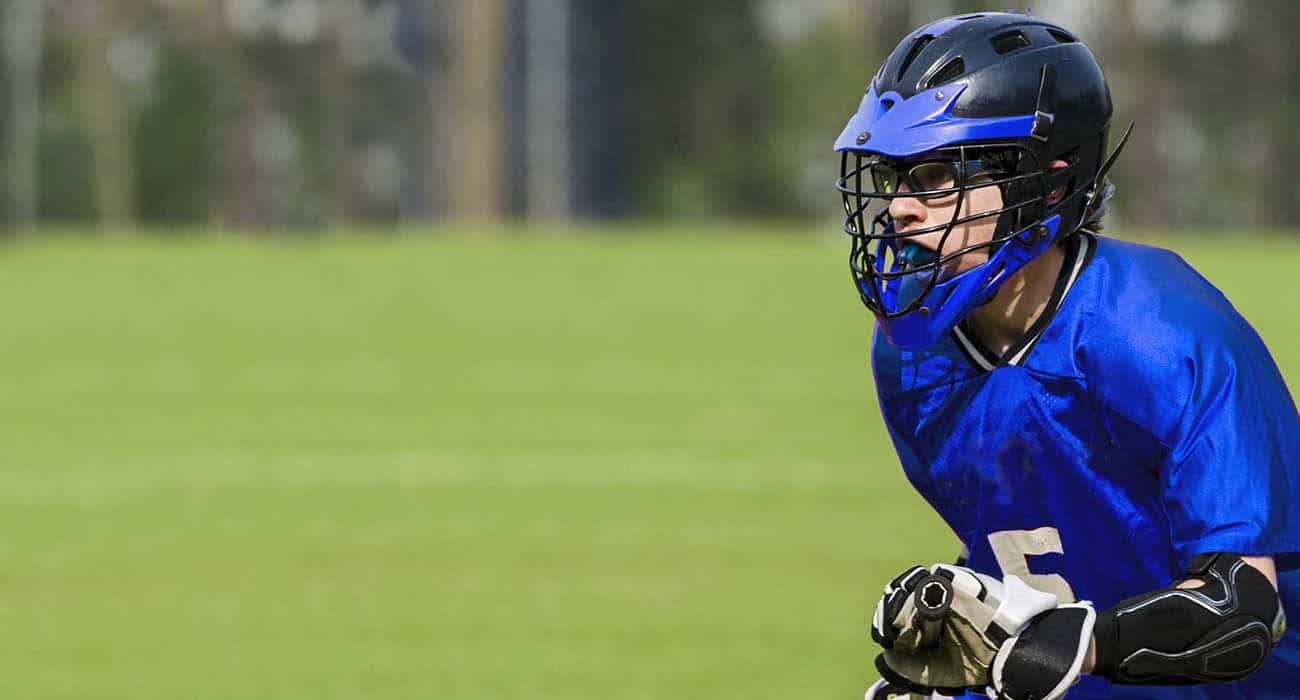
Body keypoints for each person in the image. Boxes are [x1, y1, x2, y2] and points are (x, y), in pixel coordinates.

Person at [832, 11, 1300, 700]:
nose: (901, 208)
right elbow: (1054, 545)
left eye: (934, 176)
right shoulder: (912, 356)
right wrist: (965, 632)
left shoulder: (1159, 332)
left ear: (1046, 188)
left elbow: (1240, 611)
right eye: (894, 178)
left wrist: (1075, 648)